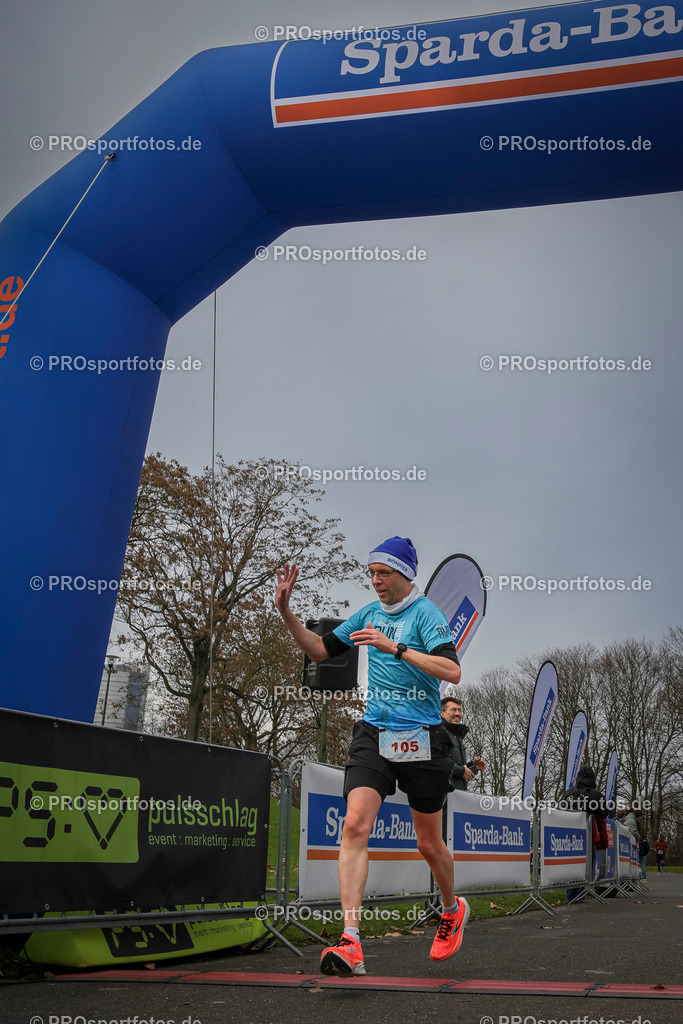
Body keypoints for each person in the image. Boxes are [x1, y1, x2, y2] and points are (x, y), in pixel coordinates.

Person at [275, 536, 468, 977]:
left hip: (422, 738)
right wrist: (286, 612)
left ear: (405, 575)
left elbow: (452, 671)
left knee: (428, 843)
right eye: (372, 573)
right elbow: (320, 651)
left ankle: (451, 909)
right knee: (355, 824)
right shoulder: (366, 613)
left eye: (383, 573)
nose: (376, 581)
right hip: (373, 733)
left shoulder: (426, 615)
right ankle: (351, 941)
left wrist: (394, 647)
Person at [560, 765, 607, 904]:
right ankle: (577, 895)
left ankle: (573, 895)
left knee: (573, 864)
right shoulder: (596, 794)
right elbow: (603, 813)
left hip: (568, 835)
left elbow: (560, 808)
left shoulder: (568, 793)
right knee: (586, 865)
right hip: (587, 835)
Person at [440, 696, 486, 790]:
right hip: (443, 797)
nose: (457, 714)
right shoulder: (439, 733)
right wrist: (462, 771)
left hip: (457, 796)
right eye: (453, 710)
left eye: (459, 710)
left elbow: (456, 769)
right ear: (442, 713)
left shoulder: (457, 736)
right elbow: (438, 763)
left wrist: (472, 767)